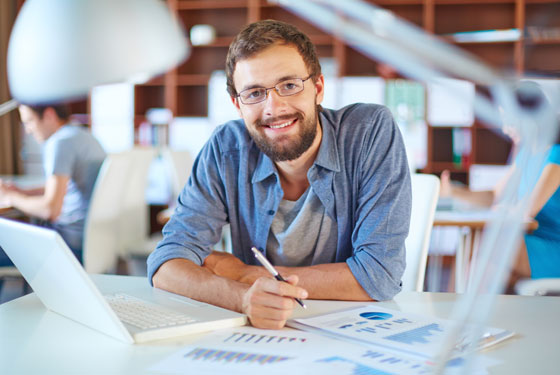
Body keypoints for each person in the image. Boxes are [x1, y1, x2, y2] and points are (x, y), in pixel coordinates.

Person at [147, 20, 411, 329]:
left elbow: (380, 274)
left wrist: (244, 274)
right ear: (238, 105)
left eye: (289, 85)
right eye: (255, 93)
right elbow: (166, 265)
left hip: (351, 329)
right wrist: (242, 298)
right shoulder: (226, 148)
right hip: (261, 331)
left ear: (318, 88)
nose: (274, 107)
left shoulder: (369, 131)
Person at [440, 82, 560, 287]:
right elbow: (496, 196)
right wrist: (454, 192)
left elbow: (529, 208)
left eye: (510, 122)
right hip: (531, 241)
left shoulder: (556, 154)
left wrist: (507, 209)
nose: (505, 129)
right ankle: (456, 309)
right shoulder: (526, 153)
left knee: (492, 246)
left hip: (552, 246)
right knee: (479, 256)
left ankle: (455, 311)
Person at [0, 104, 106, 264]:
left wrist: (11, 198)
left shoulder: (61, 142)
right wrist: (23, 192)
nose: (28, 130)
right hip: (93, 240)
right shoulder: (83, 136)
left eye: (29, 121)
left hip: (67, 244)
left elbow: (50, 209)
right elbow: (66, 187)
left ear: (49, 115)